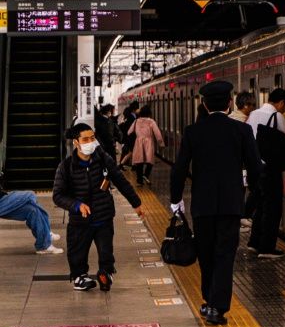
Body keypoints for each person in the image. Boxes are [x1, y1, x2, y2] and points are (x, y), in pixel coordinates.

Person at [170, 80, 261, 326]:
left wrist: (175, 200)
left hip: (202, 205)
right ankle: (217, 307)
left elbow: (179, 169)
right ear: (230, 103)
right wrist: (252, 194)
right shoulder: (242, 130)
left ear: (204, 104)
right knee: (225, 255)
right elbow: (254, 166)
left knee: (206, 253)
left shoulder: (193, 131)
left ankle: (209, 300)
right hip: (231, 205)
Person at [53, 122, 141, 291]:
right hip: (80, 221)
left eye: (92, 138)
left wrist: (136, 203)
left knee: (106, 252)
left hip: (103, 217)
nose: (90, 142)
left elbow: (120, 180)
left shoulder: (103, 159)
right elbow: (57, 196)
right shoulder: (65, 167)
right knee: (77, 252)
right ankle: (79, 277)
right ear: (76, 143)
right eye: (85, 139)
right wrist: (77, 205)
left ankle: (105, 273)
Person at [247, 88, 285, 259]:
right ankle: (267, 247)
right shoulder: (278, 117)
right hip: (271, 170)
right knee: (272, 208)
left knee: (259, 206)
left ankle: (254, 242)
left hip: (255, 169)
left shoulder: (253, 115)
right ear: (281, 103)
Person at [0, 173, 62, 254]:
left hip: (3, 198)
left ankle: (44, 246)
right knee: (30, 195)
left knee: (32, 210)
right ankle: (47, 233)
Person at [233, 92, 257, 228]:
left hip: (232, 165)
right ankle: (242, 217)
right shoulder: (246, 123)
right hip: (243, 165)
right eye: (252, 105)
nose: (254, 108)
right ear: (245, 105)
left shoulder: (229, 118)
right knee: (244, 191)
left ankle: (240, 216)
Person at [126, 105, 164, 187]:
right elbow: (157, 133)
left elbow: (129, 132)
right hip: (148, 142)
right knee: (150, 160)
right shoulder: (151, 121)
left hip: (139, 142)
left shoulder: (136, 121)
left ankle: (139, 181)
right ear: (149, 113)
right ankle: (146, 175)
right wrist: (161, 143)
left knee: (139, 162)